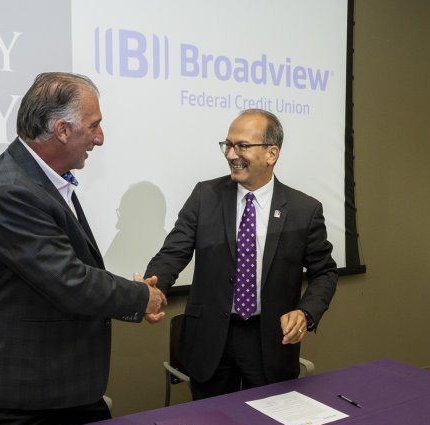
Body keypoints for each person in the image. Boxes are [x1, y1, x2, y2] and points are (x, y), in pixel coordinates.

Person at [0, 72, 166, 425]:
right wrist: (141, 297)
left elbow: (69, 270)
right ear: (62, 130)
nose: (100, 138)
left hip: (59, 386)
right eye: (94, 125)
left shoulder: (43, 179)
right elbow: (68, 280)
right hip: (20, 400)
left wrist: (128, 291)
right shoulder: (10, 190)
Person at [144, 109, 337, 400]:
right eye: (228, 145)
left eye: (242, 146)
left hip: (269, 342)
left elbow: (324, 272)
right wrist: (152, 288)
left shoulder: (304, 210)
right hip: (211, 341)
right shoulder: (204, 196)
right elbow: (173, 252)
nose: (231, 154)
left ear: (272, 154)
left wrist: (305, 312)